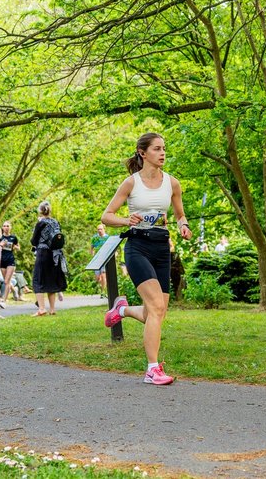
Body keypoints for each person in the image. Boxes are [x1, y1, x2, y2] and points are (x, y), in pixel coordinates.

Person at [101, 132, 192, 385]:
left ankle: (122, 309)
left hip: (161, 248)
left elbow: (180, 215)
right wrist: (125, 220)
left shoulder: (172, 183)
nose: (162, 153)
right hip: (138, 247)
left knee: (157, 312)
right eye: (157, 149)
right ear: (143, 153)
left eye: (164, 149)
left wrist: (184, 226)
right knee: (156, 307)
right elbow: (106, 216)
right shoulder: (131, 183)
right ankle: (152, 369)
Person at [29, 201, 67, 316]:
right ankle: (52, 309)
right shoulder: (56, 222)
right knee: (51, 280)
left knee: (37, 280)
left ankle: (41, 308)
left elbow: (34, 241)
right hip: (55, 254)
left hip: (43, 253)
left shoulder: (41, 223)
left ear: (40, 211)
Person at [0, 221, 20, 304]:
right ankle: (14, 290)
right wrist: (1, 245)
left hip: (10, 260)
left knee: (7, 281)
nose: (6, 227)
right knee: (6, 281)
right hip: (2, 261)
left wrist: (14, 247)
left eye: (8, 226)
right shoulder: (0, 237)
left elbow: (18, 247)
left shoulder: (13, 237)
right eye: (4, 226)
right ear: (2, 228)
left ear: (10, 227)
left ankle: (4, 300)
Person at [90, 223, 110, 296]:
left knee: (103, 275)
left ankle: (103, 292)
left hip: (104, 259)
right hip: (97, 260)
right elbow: (92, 248)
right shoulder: (95, 238)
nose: (99, 231)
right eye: (98, 229)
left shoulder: (107, 237)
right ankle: (102, 287)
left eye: (101, 229)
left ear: (104, 229)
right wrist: (92, 256)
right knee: (98, 278)